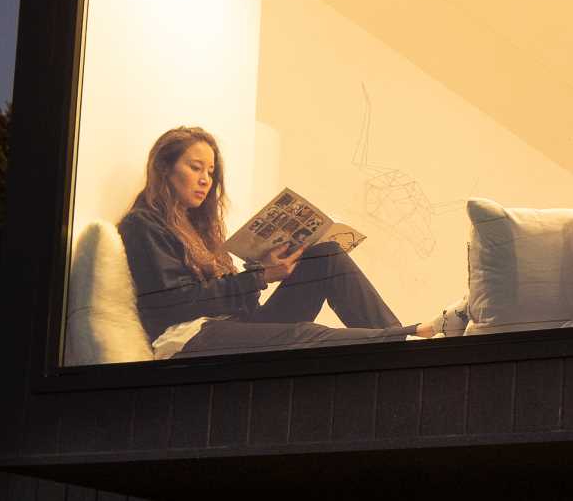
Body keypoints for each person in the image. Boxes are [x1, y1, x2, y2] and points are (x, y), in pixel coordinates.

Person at [118, 125, 436, 356]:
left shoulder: (202, 231)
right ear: (165, 168)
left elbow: (236, 302)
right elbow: (173, 303)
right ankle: (405, 340)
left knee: (326, 256)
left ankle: (408, 348)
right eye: (195, 167)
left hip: (234, 328)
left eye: (211, 172)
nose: (205, 179)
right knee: (307, 334)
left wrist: (261, 268)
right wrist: (259, 277)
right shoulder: (143, 224)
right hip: (190, 338)